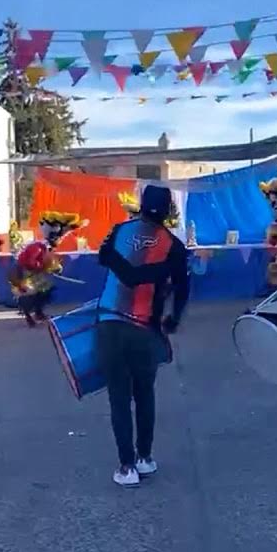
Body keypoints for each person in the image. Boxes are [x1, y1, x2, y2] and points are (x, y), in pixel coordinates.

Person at [95, 185, 191, 487]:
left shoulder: (118, 230)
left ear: (141, 205)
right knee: (145, 394)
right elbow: (183, 289)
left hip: (110, 323)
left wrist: (128, 269)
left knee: (119, 398)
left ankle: (126, 467)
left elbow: (104, 258)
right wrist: (172, 319)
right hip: (145, 329)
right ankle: (145, 458)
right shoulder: (174, 246)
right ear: (168, 210)